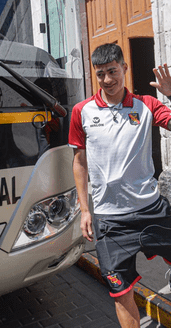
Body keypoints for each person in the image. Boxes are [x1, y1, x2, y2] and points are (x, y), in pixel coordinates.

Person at [69, 43, 171, 328]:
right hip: (111, 223)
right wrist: (85, 210)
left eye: (112, 71)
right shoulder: (81, 112)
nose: (107, 80)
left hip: (153, 211)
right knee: (120, 292)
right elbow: (79, 162)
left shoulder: (147, 105)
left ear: (124, 68)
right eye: (100, 74)